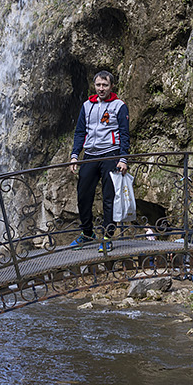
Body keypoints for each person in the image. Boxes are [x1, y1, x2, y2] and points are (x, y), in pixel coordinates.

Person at [69, 70, 130, 252]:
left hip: (111, 155)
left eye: (105, 85)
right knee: (83, 195)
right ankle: (87, 234)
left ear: (111, 86)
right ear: (94, 86)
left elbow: (125, 133)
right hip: (90, 155)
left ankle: (107, 236)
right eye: (98, 85)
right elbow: (80, 132)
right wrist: (74, 155)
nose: (101, 88)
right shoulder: (87, 105)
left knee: (109, 197)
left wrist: (123, 158)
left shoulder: (119, 106)